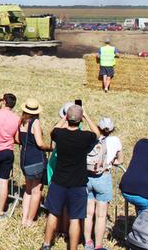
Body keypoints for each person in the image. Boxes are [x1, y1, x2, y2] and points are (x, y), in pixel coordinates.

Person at [41, 105, 100, 250]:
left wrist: (65, 117)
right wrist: (86, 115)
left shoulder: (60, 134)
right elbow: (97, 134)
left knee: (53, 213)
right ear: (80, 121)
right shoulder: (86, 137)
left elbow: (53, 131)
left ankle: (47, 244)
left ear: (67, 118)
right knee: (75, 219)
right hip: (78, 183)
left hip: (59, 181)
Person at [84, 117, 124, 250]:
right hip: (104, 176)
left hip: (87, 176)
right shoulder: (115, 141)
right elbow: (120, 160)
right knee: (101, 215)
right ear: (112, 129)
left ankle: (87, 242)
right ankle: (98, 245)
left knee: (88, 213)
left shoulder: (91, 138)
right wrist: (113, 162)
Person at [16, 98, 51, 227]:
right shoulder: (35, 122)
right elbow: (40, 143)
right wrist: (51, 147)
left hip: (24, 158)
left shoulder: (21, 121)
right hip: (35, 160)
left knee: (28, 189)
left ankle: (24, 218)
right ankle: (30, 220)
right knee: (37, 190)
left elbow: (17, 138)